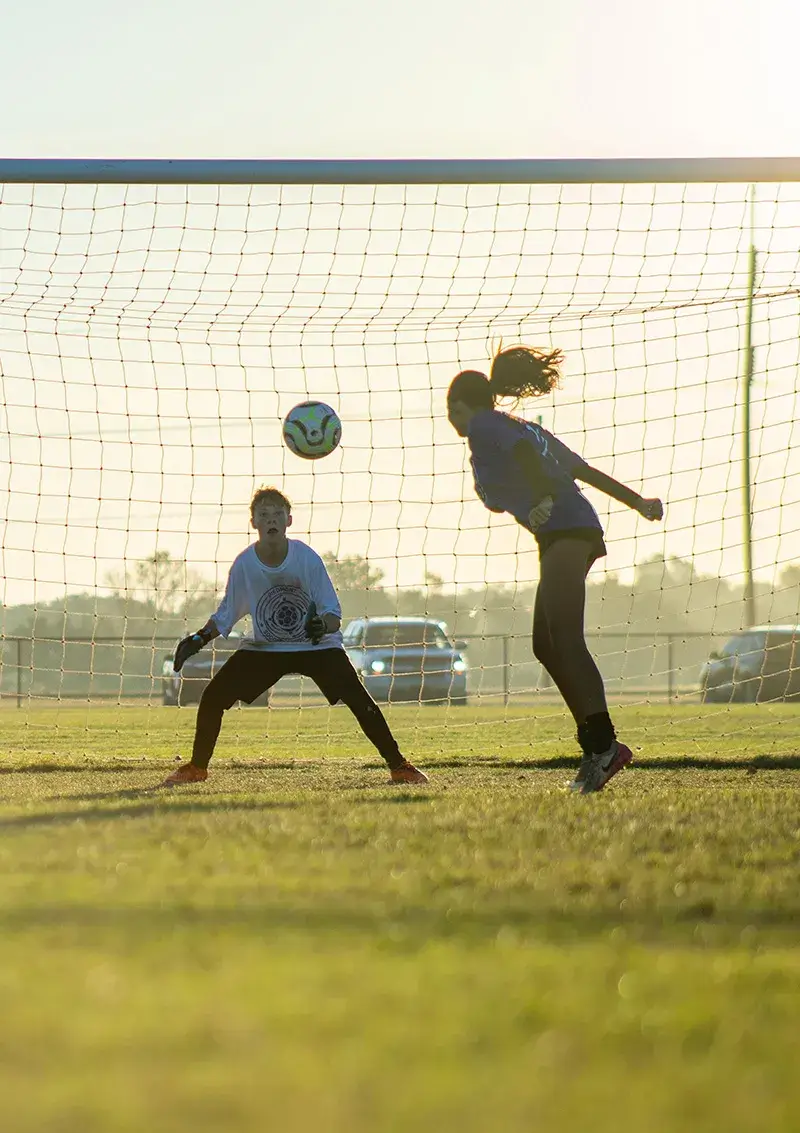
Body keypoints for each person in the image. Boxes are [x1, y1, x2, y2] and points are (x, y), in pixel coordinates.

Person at [446, 345, 663, 794]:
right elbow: (582, 470)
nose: (451, 418)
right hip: (569, 529)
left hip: (566, 528)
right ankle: (595, 747)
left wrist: (542, 496)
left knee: (563, 638)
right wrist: (636, 501)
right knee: (545, 643)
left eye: (452, 409)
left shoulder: (486, 427)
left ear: (465, 406)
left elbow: (528, 458)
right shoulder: (514, 427)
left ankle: (604, 747)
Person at [162, 486, 428, 786]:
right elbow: (227, 613)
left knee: (358, 698)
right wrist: (199, 639)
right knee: (212, 697)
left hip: (316, 647)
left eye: (277, 514)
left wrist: (321, 626)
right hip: (265, 648)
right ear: (254, 523)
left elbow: (332, 614)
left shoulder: (306, 559)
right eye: (264, 514)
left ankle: (399, 766)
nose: (271, 519)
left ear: (289, 521)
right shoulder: (245, 564)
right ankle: (197, 768)